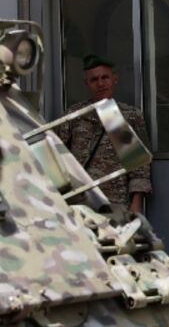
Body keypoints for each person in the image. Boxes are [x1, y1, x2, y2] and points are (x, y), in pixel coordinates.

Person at [56, 54, 151, 213]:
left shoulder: (123, 116)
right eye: (94, 80)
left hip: (114, 203)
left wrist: (136, 204)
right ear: (86, 84)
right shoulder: (75, 115)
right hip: (79, 202)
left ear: (115, 79)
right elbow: (56, 155)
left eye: (104, 77)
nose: (100, 83)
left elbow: (138, 166)